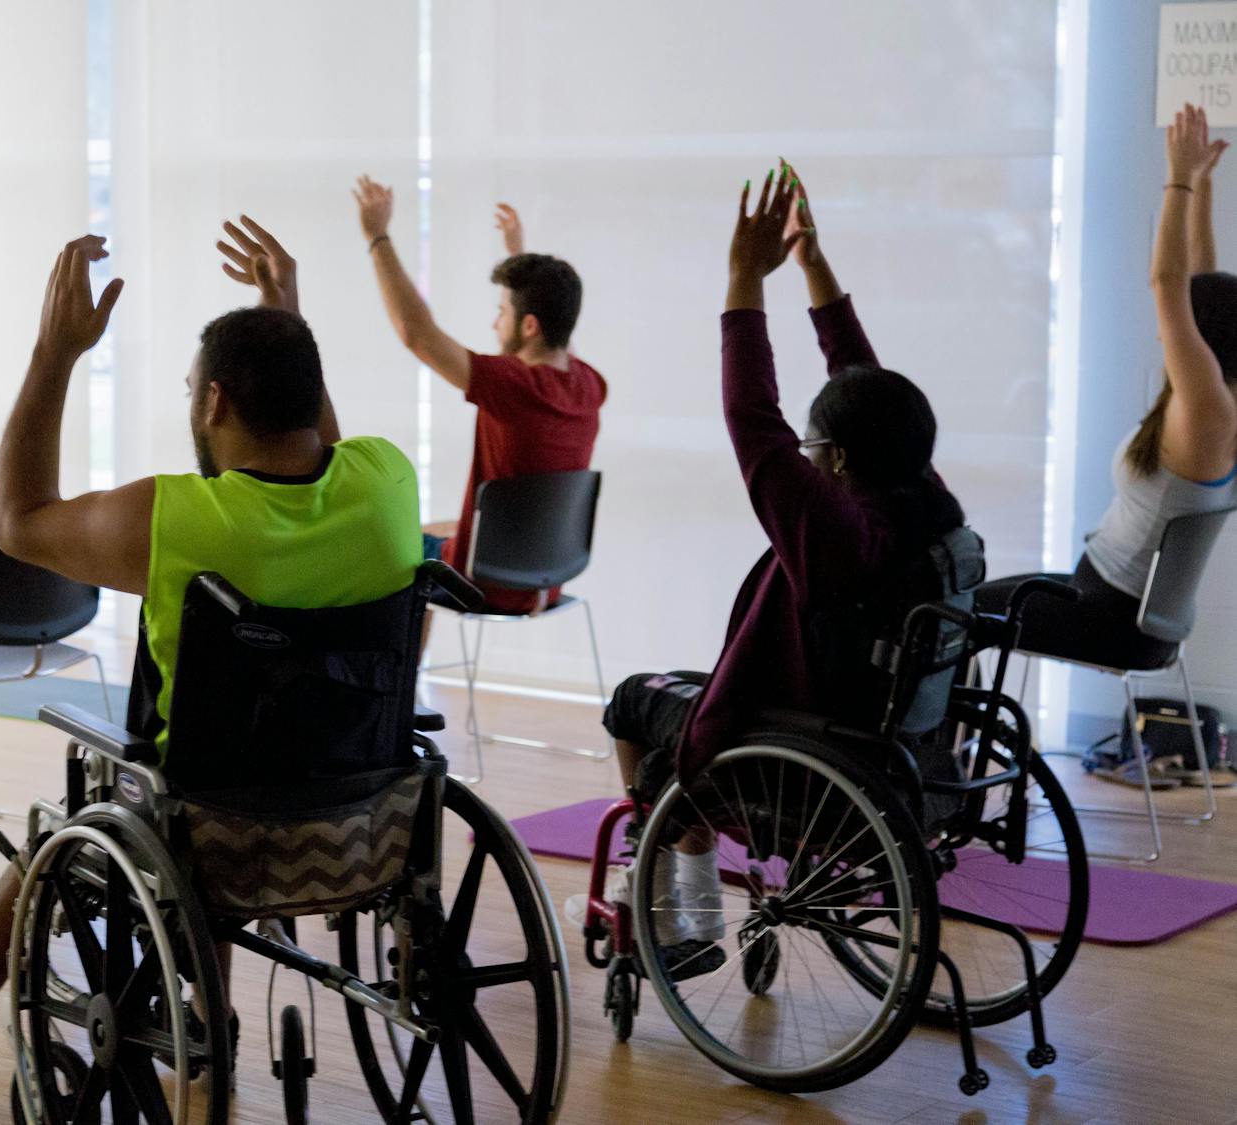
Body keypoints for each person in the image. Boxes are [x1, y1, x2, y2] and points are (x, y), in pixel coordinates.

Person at [0, 220, 422, 1104]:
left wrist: (54, 353)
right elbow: (330, 453)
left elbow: (16, 522)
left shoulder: (177, 520)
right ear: (311, 393)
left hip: (210, 822)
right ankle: (209, 1011)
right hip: (363, 809)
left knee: (69, 814)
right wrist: (288, 322)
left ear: (211, 405)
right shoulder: (388, 481)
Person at [601, 165, 970, 977]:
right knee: (680, 695)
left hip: (806, 755)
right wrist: (812, 267)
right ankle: (684, 877)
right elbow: (863, 383)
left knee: (637, 701)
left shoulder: (834, 533)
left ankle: (681, 902)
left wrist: (742, 279)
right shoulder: (927, 502)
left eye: (814, 449)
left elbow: (752, 419)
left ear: (835, 459)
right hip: (892, 744)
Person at [975, 104, 1237, 783]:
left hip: (1107, 618)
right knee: (960, 603)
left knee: (946, 616)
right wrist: (1204, 190)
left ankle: (937, 772)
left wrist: (1175, 182)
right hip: (1114, 608)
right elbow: (1202, 290)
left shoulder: (1206, 415)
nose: (1162, 331)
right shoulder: (1218, 407)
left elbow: (1170, 286)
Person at [353, 178, 607, 614]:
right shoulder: (588, 385)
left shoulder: (512, 385)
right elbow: (554, 333)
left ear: (528, 325)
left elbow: (417, 334)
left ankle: (400, 675)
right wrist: (519, 256)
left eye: (501, 312)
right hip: (543, 579)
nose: (494, 325)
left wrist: (377, 236)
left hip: (483, 582)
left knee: (377, 546)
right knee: (435, 530)